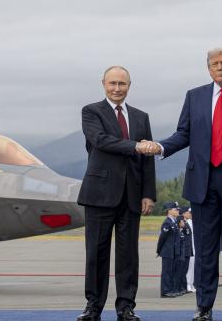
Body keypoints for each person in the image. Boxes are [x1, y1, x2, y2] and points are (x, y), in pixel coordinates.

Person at [139, 47, 222, 321]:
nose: (219, 68)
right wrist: (161, 147)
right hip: (203, 181)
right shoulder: (195, 96)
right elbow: (183, 133)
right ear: (208, 69)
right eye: (214, 64)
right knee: (205, 250)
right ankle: (204, 307)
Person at [76, 66, 157, 321]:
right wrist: (136, 146)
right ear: (103, 84)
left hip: (132, 195)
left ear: (129, 86)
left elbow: (148, 161)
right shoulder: (91, 112)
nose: (117, 88)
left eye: (122, 84)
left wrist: (148, 193)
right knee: (96, 253)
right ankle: (93, 306)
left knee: (128, 256)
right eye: (112, 83)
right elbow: (101, 141)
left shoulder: (141, 117)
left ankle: (126, 307)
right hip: (99, 194)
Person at [157, 202, 183, 297]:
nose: (178, 211)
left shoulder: (174, 222)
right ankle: (165, 291)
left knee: (172, 271)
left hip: (173, 251)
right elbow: (162, 238)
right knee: (167, 272)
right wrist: (159, 250)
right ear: (169, 211)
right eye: (175, 209)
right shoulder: (167, 222)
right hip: (167, 251)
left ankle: (170, 289)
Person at [183, 207, 196, 292]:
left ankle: (191, 284)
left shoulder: (193, 222)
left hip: (194, 248)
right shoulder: (185, 223)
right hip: (189, 248)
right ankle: (187, 284)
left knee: (192, 268)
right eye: (189, 212)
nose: (191, 214)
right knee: (188, 267)